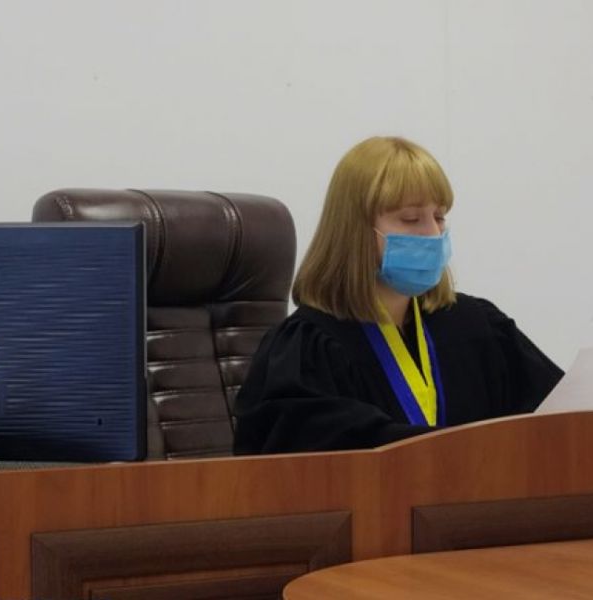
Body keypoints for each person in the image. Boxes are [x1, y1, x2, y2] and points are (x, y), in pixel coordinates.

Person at [233, 136, 562, 454]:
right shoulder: (307, 348)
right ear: (355, 231)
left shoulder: (479, 326)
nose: (433, 234)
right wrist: (460, 452)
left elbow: (561, 417)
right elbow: (308, 458)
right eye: (410, 219)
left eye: (439, 216)